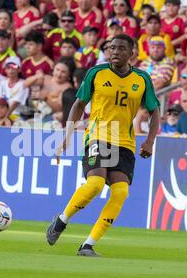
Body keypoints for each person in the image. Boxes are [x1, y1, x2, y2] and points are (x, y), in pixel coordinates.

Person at [46, 34, 160, 257]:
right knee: (95, 184)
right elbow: (79, 104)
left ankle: (88, 244)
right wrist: (67, 136)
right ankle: (61, 220)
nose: (114, 52)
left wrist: (149, 140)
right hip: (98, 136)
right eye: (111, 48)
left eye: (120, 48)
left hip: (125, 142)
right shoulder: (96, 73)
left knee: (121, 192)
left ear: (132, 53)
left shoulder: (142, 79)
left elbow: (155, 111)